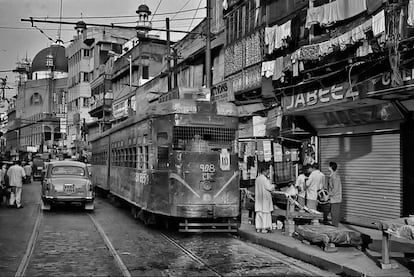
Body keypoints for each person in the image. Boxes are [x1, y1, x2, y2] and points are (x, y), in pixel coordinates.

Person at [255, 164, 275, 233]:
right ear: (265, 171)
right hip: (264, 199)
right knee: (265, 214)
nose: (268, 173)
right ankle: (264, 228)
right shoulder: (264, 179)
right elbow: (269, 187)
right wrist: (273, 186)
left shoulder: (257, 178)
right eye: (267, 171)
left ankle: (258, 227)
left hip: (258, 199)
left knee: (259, 213)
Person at [328, 161, 342, 227]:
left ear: (331, 167)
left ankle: (335, 226)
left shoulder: (335, 177)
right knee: (333, 213)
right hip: (333, 198)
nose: (328, 167)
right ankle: (334, 225)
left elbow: (335, 189)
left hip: (336, 198)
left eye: (329, 166)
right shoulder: (332, 176)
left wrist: (328, 195)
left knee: (334, 213)